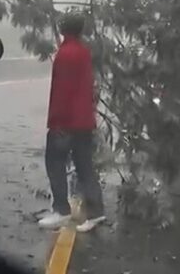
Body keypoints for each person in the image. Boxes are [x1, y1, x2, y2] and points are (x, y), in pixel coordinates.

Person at [38, 13, 105, 232]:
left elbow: (62, 91)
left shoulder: (65, 54)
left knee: (54, 162)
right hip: (84, 120)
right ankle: (96, 212)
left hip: (66, 121)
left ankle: (61, 209)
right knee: (85, 166)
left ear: (63, 28)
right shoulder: (83, 52)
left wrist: (56, 121)